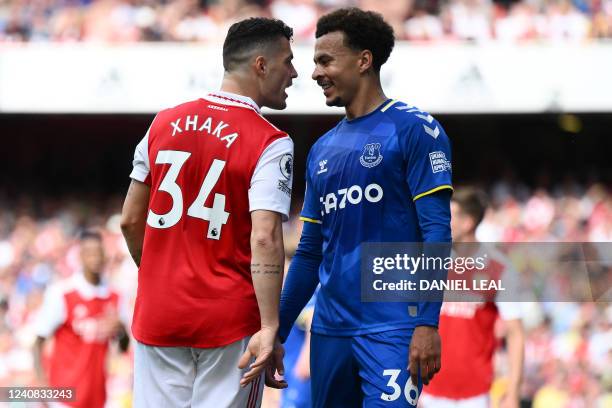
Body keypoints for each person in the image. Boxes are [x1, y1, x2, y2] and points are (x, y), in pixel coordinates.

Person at [277, 7, 453, 407]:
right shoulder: (322, 149)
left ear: (363, 60)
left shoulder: (414, 129)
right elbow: (309, 253)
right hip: (329, 330)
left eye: (325, 60)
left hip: (392, 328)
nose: (316, 73)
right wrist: (279, 331)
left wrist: (427, 323)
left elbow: (437, 234)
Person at [120, 17, 297, 408]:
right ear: (261, 65)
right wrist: (270, 327)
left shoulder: (162, 122)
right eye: (287, 61)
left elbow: (130, 219)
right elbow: (265, 236)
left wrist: (161, 278)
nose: (295, 73)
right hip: (228, 320)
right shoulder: (270, 141)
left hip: (159, 315)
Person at [421, 188, 525, 408]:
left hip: (475, 395)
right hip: (429, 390)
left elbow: (515, 333)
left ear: (467, 223)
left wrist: (512, 393)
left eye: (448, 216)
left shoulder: (499, 268)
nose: (441, 222)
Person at [33, 231, 129, 408]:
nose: (96, 258)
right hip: (63, 396)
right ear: (81, 256)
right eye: (90, 253)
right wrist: (41, 384)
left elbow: (123, 347)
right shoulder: (63, 293)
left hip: (97, 395)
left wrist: (121, 331)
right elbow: (38, 340)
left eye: (99, 253)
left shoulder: (115, 296)